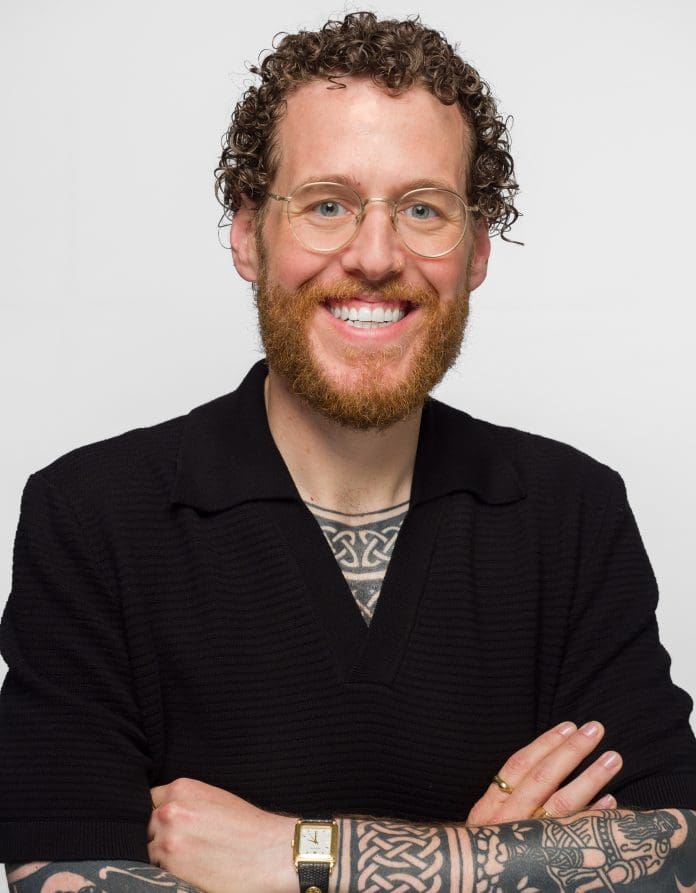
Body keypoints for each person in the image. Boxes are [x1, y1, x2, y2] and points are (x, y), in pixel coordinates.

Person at [2, 11, 696, 893]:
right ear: (248, 234)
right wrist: (494, 865)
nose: (375, 255)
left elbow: (677, 858)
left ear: (477, 248)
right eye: (327, 204)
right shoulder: (91, 517)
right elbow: (56, 880)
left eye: (422, 209)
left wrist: (299, 857)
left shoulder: (572, 512)